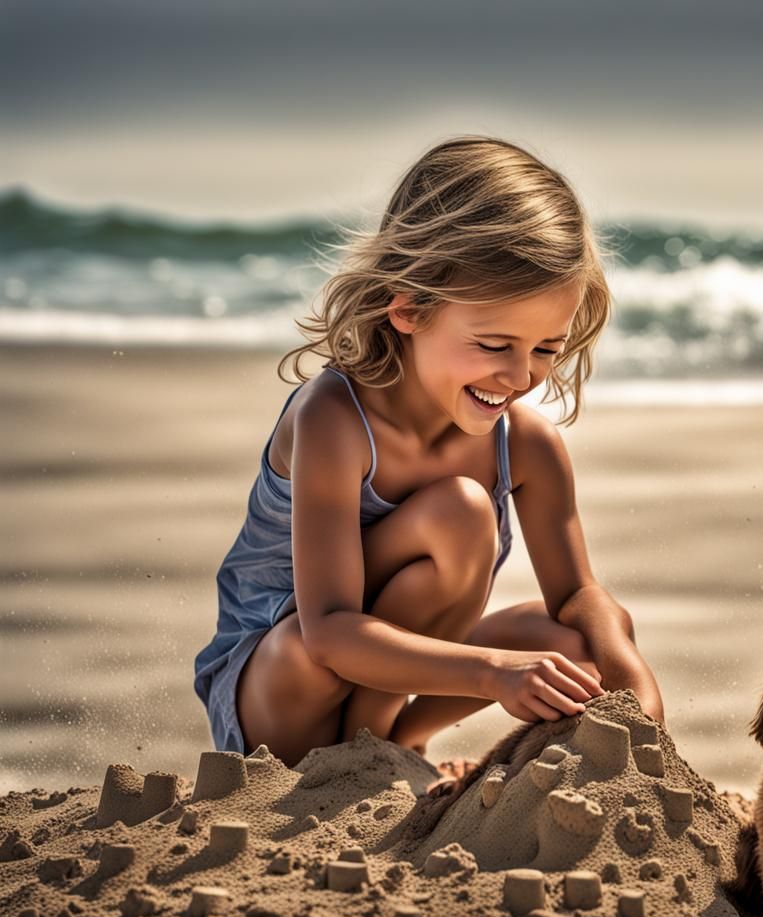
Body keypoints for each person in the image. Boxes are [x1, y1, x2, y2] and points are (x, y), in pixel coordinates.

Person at [193, 135, 666, 785]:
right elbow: (328, 631)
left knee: (574, 647)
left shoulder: (525, 447)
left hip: (385, 692)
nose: (520, 374)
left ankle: (400, 739)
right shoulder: (334, 417)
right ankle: (369, 744)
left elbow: (579, 594)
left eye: (546, 350)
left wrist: (631, 678)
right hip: (283, 690)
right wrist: (492, 672)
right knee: (460, 514)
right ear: (409, 308)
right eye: (494, 343)